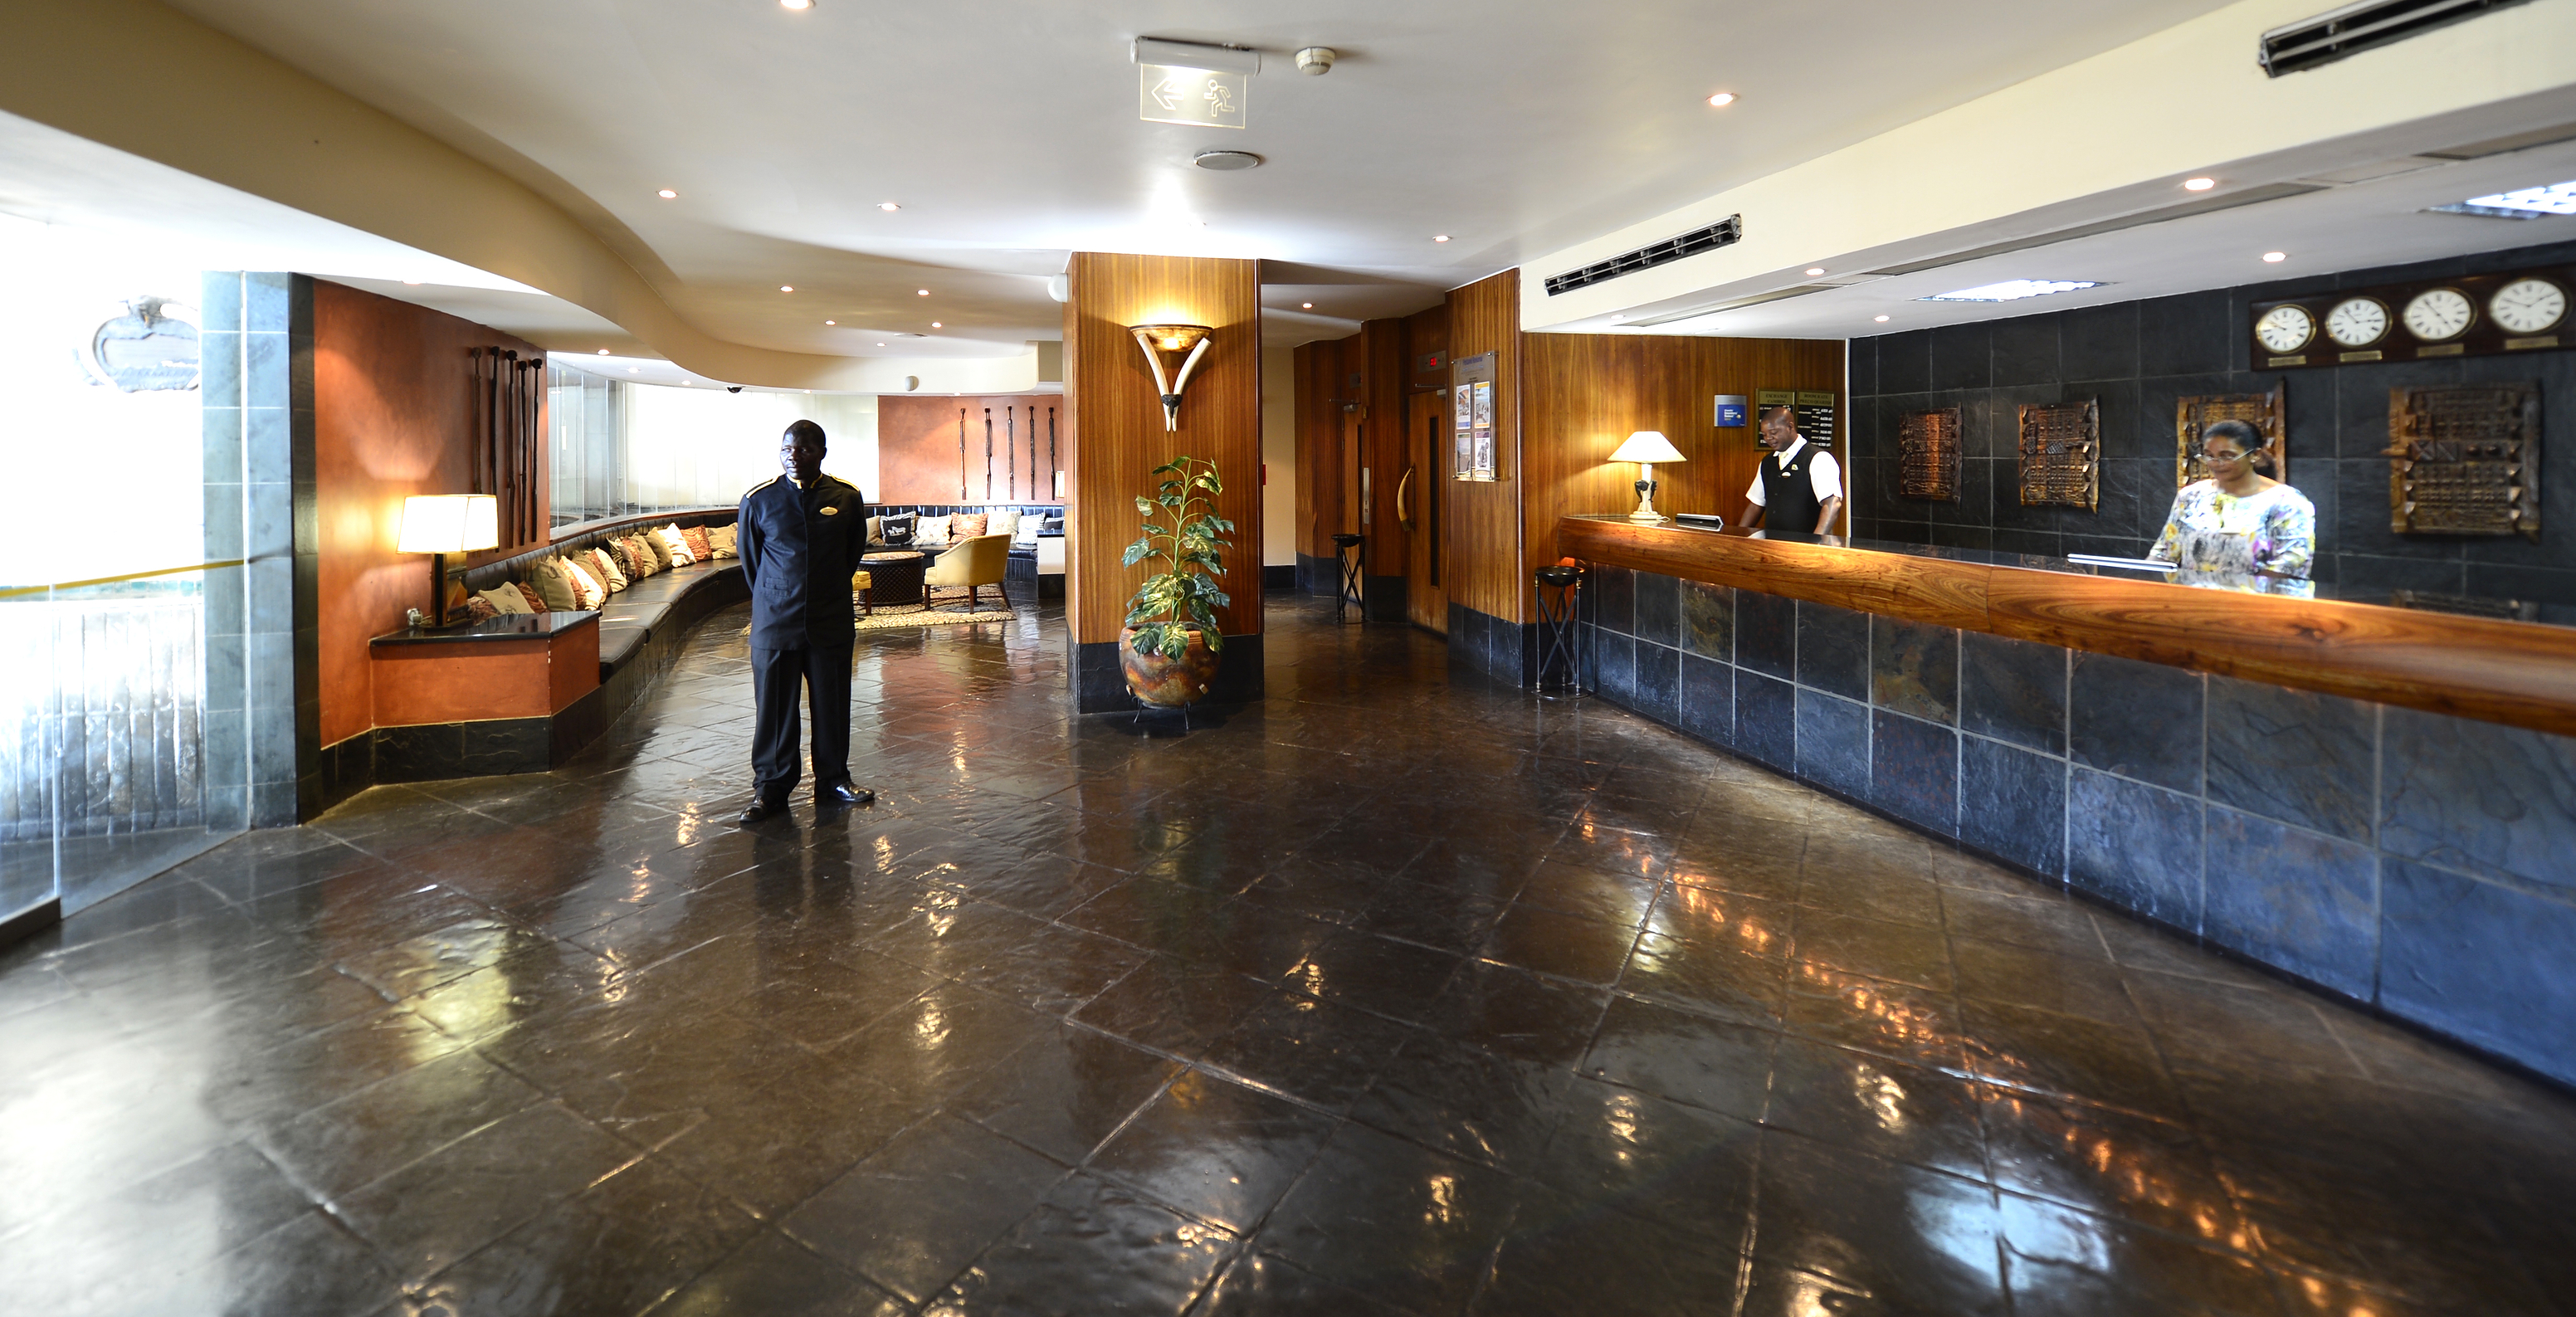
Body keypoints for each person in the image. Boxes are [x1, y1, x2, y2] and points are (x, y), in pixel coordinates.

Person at [735, 419, 874, 823]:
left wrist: (824, 590)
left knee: (832, 704)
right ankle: (772, 789)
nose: (794, 456)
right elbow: (753, 564)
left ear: (823, 453)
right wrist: (780, 593)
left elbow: (851, 555)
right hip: (775, 622)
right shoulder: (758, 499)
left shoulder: (846, 497)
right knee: (775, 710)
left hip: (830, 619)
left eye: (805, 450)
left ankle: (833, 780)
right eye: (787, 449)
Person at [2149, 419, 2315, 588]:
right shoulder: (2191, 496)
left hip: (2257, 606)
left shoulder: (2286, 501)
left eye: (2227, 456)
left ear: (2255, 455)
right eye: (2209, 455)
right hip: (2193, 602)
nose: (2215, 463)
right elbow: (2164, 552)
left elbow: (2289, 565)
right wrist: (2143, 584)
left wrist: (2233, 598)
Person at [1737, 404, 1844, 534]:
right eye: (1764, 435)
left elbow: (1833, 503)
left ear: (1790, 427)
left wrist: (1816, 542)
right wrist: (1738, 536)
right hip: (1773, 544)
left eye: (1773, 433)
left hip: (1806, 546)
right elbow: (1756, 504)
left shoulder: (1818, 458)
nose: (1768, 438)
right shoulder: (1768, 462)